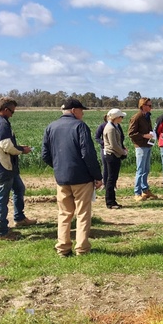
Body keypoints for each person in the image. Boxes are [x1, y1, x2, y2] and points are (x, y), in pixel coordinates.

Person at [41, 98, 103, 258]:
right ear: (74, 110)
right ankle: (82, 249)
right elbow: (88, 154)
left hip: (61, 178)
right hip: (81, 178)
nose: (82, 113)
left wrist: (58, 167)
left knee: (64, 214)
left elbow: (45, 155)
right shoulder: (79, 126)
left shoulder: (51, 127)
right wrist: (97, 176)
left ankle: (63, 248)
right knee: (82, 214)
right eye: (81, 110)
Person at [0, 96, 36, 241]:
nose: (12, 115)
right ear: (5, 109)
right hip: (3, 166)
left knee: (18, 188)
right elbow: (7, 146)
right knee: (0, 197)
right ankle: (1, 232)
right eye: (12, 112)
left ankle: (19, 218)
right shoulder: (1, 123)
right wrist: (22, 150)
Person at [128, 97, 158, 201]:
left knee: (146, 169)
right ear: (143, 106)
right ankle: (137, 193)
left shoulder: (147, 116)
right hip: (140, 146)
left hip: (148, 145)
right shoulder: (137, 117)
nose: (151, 107)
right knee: (140, 170)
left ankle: (145, 190)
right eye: (149, 105)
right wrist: (144, 136)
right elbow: (131, 133)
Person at [103, 108, 128, 209]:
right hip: (112, 155)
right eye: (121, 117)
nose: (122, 118)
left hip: (114, 155)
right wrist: (123, 152)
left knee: (113, 178)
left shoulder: (114, 126)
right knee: (111, 179)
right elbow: (113, 145)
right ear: (116, 118)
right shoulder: (111, 128)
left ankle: (112, 201)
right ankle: (110, 202)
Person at [94, 114, 108, 192]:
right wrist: (103, 143)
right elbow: (97, 137)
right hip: (105, 149)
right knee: (105, 167)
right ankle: (105, 184)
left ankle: (113, 185)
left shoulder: (117, 126)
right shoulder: (102, 126)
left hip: (115, 149)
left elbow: (121, 136)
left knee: (114, 168)